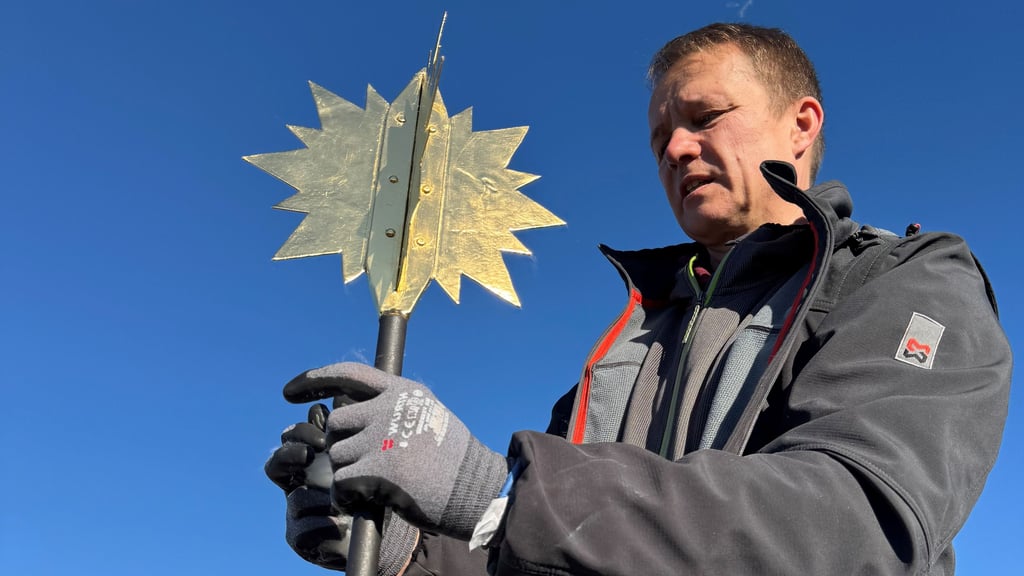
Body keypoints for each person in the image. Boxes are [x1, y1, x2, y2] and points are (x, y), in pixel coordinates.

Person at [265, 23, 1011, 575]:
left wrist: (488, 485)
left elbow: (854, 527)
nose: (677, 149)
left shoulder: (904, 280)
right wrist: (409, 548)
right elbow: (554, 553)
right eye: (660, 140)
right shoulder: (629, 346)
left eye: (704, 117)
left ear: (801, 124)